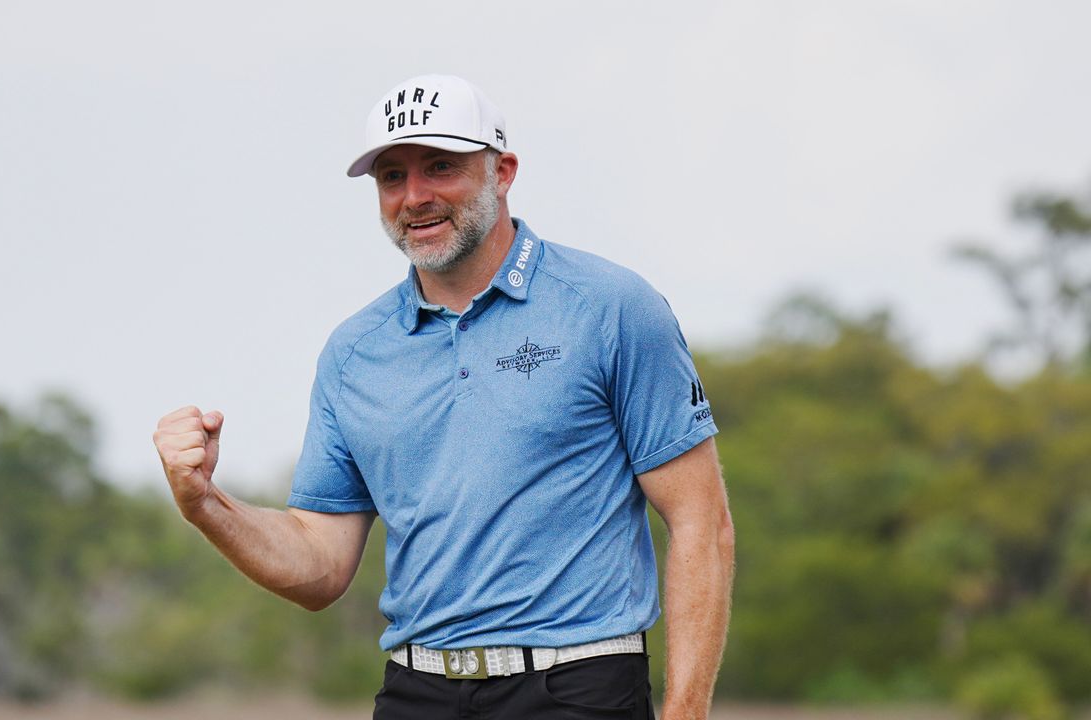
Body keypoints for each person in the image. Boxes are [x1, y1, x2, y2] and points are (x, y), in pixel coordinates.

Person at [153, 74, 735, 720]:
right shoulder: (354, 353)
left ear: (503, 171)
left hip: (578, 687)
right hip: (417, 690)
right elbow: (319, 564)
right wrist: (206, 504)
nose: (415, 197)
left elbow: (700, 524)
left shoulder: (611, 308)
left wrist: (685, 713)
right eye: (392, 177)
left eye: (440, 168)